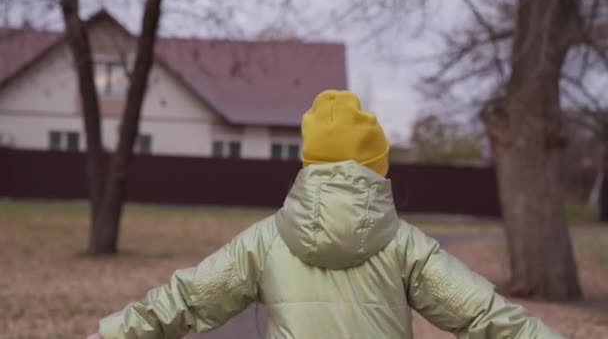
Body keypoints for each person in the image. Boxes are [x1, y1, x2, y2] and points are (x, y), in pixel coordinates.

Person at [88, 90, 563, 339]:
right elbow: (483, 315)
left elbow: (187, 300)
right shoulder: (405, 246)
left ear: (309, 164)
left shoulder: (264, 241)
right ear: (377, 168)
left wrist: (112, 334)